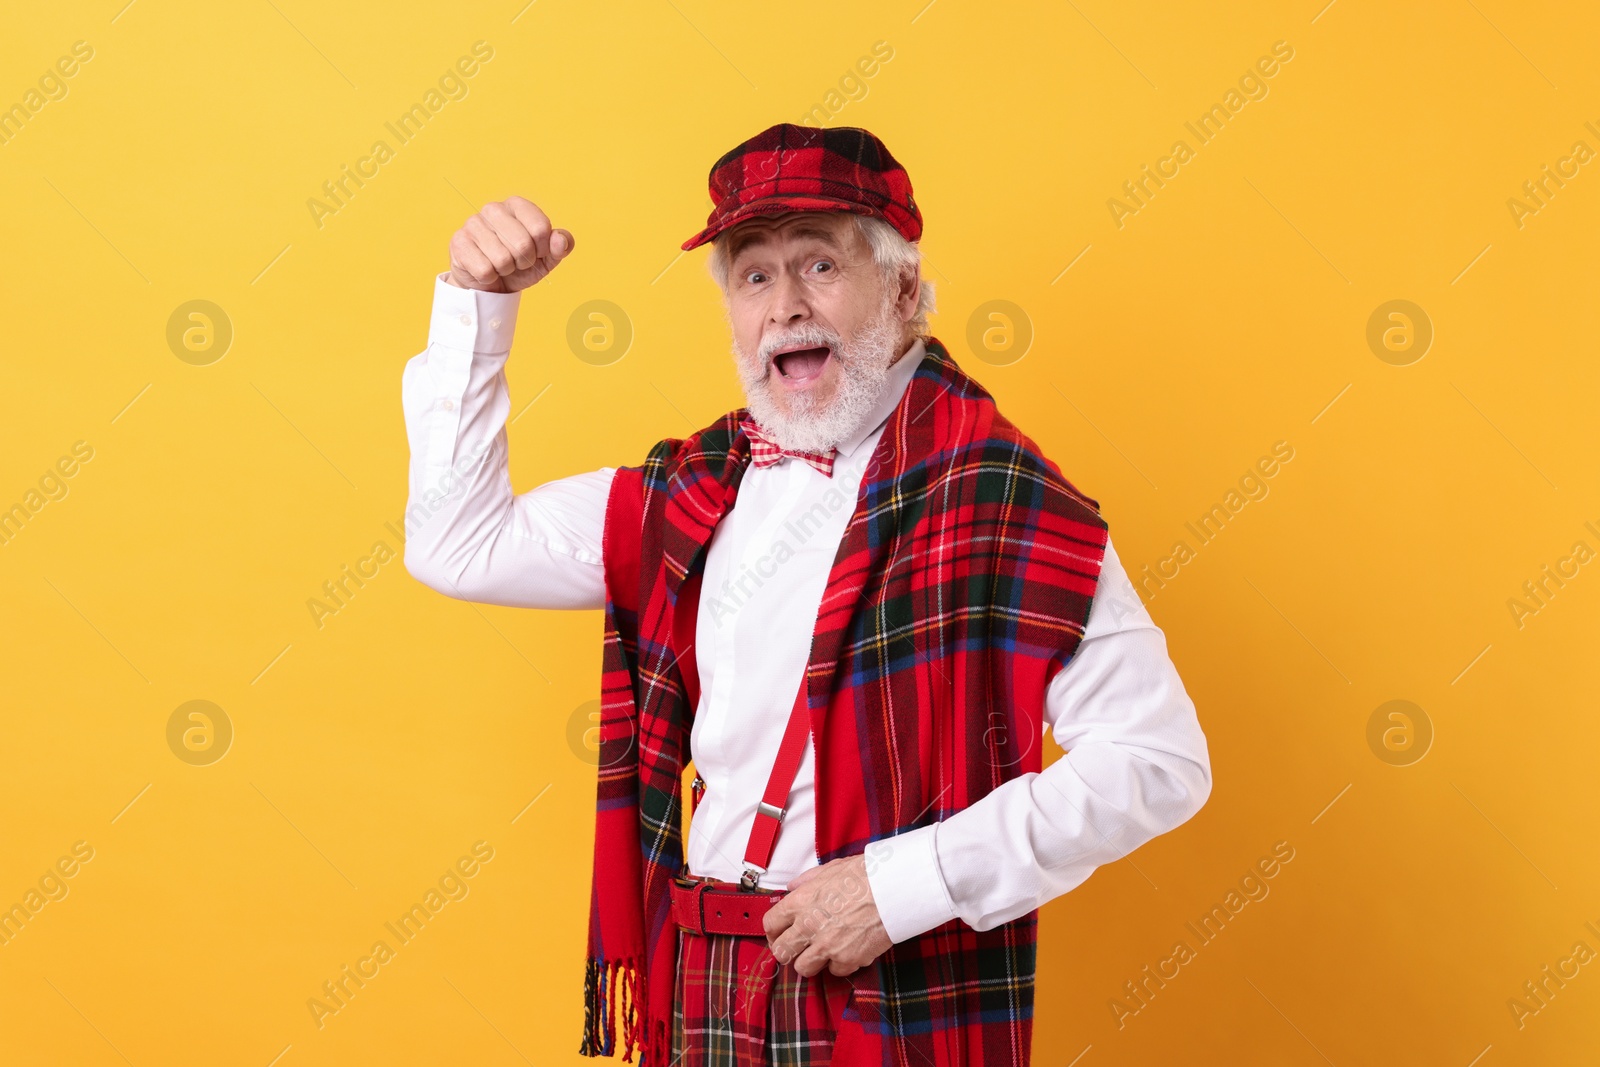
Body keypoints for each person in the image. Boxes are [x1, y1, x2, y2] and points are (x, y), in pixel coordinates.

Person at [401, 122, 1212, 1067]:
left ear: (903, 288)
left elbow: (1157, 761)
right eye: (755, 275)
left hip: (892, 987)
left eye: (820, 264)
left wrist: (899, 885)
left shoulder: (998, 493)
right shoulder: (695, 488)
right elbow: (458, 545)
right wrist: (476, 309)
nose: (785, 306)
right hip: (703, 973)